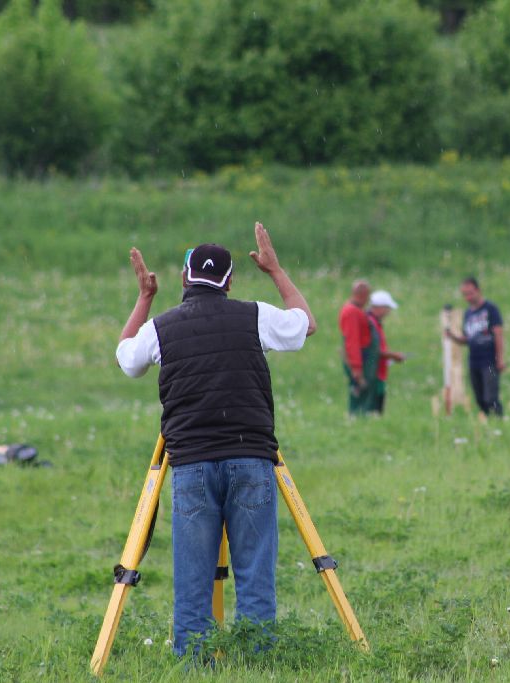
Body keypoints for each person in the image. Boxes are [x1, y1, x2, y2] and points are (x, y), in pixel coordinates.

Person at [115, 223, 316, 658]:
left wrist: (145, 297)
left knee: (193, 581)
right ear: (229, 281)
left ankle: (193, 662)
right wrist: (276, 271)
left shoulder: (161, 327)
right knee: (255, 575)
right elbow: (306, 324)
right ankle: (257, 662)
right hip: (251, 458)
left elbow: (128, 359)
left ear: (186, 279)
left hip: (190, 465)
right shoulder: (255, 315)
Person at [445, 276, 504, 417]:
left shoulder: (490, 309)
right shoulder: (468, 313)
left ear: (478, 290)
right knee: (479, 398)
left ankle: (499, 419)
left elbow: (498, 334)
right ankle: (487, 420)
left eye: (470, 293)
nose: (468, 297)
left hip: (489, 361)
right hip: (474, 361)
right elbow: (467, 338)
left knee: (491, 397)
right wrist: (452, 336)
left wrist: (500, 359)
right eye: (465, 295)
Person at [338, 279, 380, 415]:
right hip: (360, 360)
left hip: (362, 359)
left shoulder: (355, 310)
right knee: (359, 392)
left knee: (363, 392)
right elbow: (352, 342)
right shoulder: (352, 312)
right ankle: (357, 419)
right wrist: (357, 369)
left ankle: (360, 419)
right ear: (363, 295)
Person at [366, 290, 406, 414]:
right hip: (373, 372)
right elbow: (373, 350)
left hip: (379, 370)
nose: (388, 312)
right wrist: (393, 355)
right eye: (387, 308)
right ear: (380, 308)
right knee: (374, 409)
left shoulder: (375, 323)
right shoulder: (370, 323)